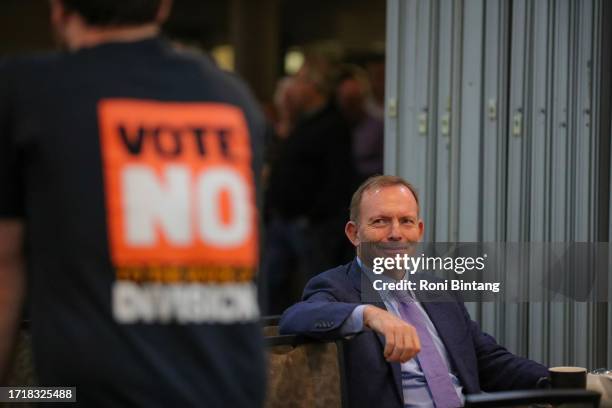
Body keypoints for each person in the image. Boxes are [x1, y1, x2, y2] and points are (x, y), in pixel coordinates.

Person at [0, 0, 266, 406]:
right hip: (229, 387)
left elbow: (5, 259)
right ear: (163, 8)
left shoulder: (26, 91)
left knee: (27, 396)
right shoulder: (231, 97)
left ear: (57, 9)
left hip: (90, 392)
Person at [279, 175, 549, 408]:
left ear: (418, 231)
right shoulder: (336, 288)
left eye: (406, 221)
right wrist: (369, 314)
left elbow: (489, 361)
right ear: (354, 234)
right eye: (380, 222)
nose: (396, 233)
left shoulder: (440, 291)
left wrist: (565, 380)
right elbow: (295, 318)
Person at [263, 60, 357, 313]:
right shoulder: (302, 122)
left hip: (311, 226)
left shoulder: (333, 125)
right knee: (273, 286)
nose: (293, 87)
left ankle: (314, 339)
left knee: (315, 286)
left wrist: (312, 217)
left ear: (314, 87)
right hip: (285, 220)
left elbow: (338, 181)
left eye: (300, 81)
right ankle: (279, 342)